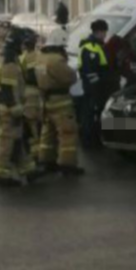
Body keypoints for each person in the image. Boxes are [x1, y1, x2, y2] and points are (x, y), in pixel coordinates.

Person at [0, 28, 36, 188]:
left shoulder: (3, 57)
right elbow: (8, 91)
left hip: (4, 107)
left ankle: (28, 170)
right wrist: (16, 110)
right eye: (22, 43)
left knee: (17, 140)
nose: (24, 47)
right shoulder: (9, 62)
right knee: (6, 143)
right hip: (8, 108)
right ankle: (1, 175)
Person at [36, 30, 85, 176]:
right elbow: (70, 77)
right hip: (61, 102)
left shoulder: (41, 57)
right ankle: (68, 165)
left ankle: (46, 161)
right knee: (67, 134)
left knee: (48, 133)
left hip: (46, 100)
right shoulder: (56, 60)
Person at [78, 19, 110, 149]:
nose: (105, 35)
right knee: (90, 114)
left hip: (93, 87)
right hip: (93, 88)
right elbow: (90, 72)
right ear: (99, 32)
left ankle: (93, 139)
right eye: (104, 32)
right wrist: (97, 88)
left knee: (92, 113)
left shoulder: (96, 45)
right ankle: (89, 141)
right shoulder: (90, 47)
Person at [19, 29, 43, 163]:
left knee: (29, 127)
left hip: (26, 94)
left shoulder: (21, 58)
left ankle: (32, 154)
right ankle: (38, 155)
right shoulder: (40, 56)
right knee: (37, 127)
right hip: (38, 93)